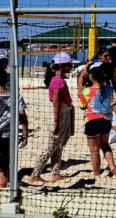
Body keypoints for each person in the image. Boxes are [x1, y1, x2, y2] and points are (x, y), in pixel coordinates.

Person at [30, 52, 77, 183]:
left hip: (63, 114)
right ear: (62, 65)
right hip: (59, 116)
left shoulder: (58, 79)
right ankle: (35, 174)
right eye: (70, 65)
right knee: (51, 147)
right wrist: (56, 122)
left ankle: (55, 173)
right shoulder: (58, 81)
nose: (72, 67)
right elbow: (56, 103)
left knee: (58, 146)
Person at [78, 63, 116, 177]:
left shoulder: (87, 91)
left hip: (92, 121)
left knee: (94, 150)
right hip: (106, 120)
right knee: (105, 145)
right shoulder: (109, 89)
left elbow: (82, 106)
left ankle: (97, 174)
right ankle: (112, 167)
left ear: (91, 76)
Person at [0, 57, 29, 188]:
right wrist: (25, 134)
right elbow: (23, 116)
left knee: (3, 169)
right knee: (5, 167)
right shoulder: (16, 96)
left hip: (5, 135)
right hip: (9, 136)